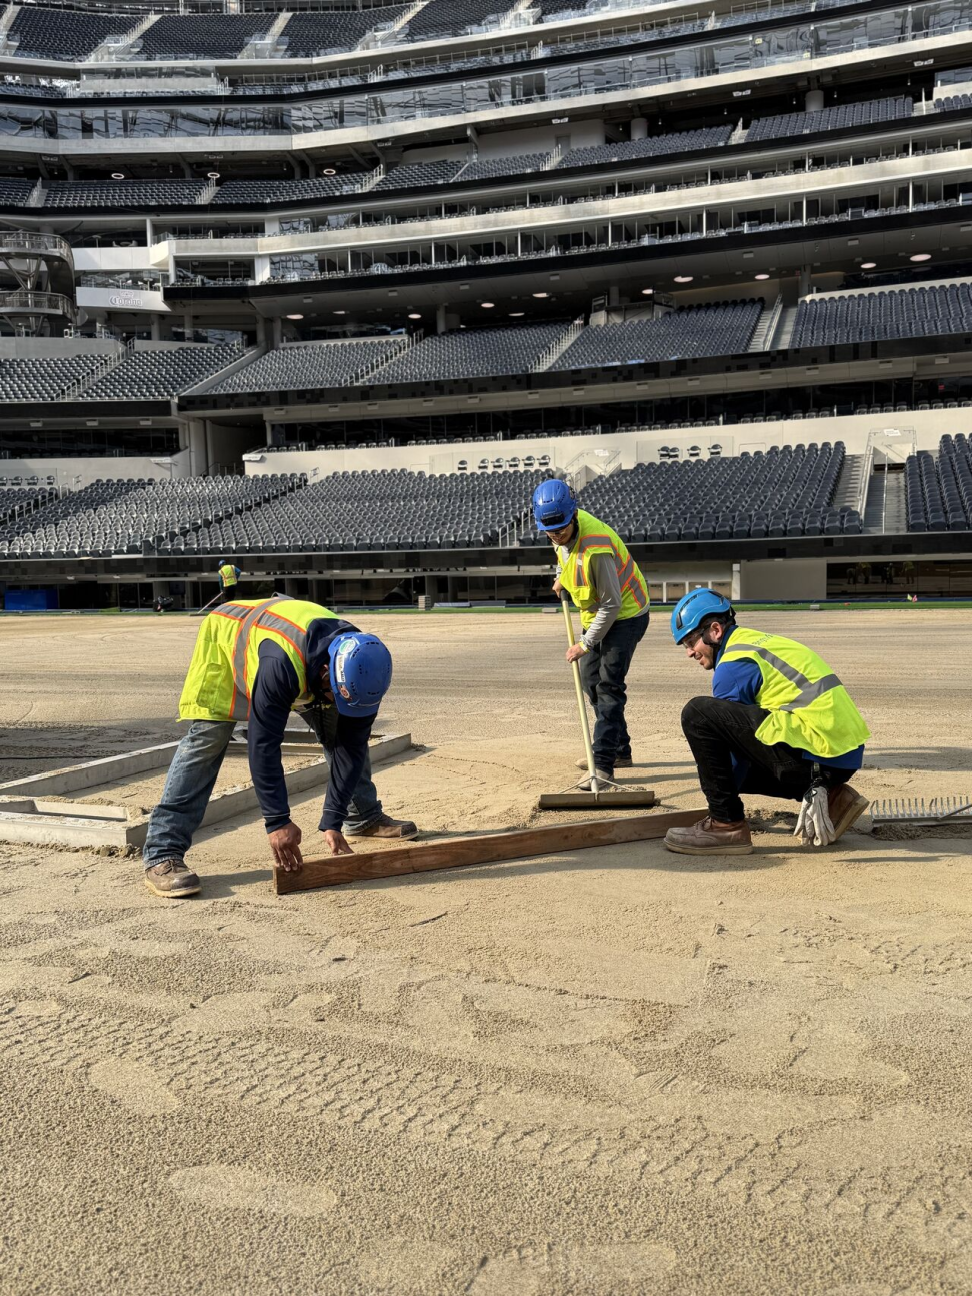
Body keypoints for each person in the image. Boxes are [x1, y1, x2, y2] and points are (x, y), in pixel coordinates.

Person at [142, 594, 417, 898]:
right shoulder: (281, 665)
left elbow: (350, 747)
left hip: (295, 655)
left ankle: (361, 817)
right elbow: (263, 744)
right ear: (327, 672)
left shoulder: (361, 667)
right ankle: (161, 852)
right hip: (228, 641)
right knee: (208, 740)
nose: (335, 700)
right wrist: (277, 821)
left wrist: (333, 819)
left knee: (342, 725)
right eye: (333, 694)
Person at [664, 590, 870, 856]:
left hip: (819, 751)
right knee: (724, 770)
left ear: (715, 630)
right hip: (841, 754)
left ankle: (726, 827)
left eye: (691, 642)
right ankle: (832, 798)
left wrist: (720, 803)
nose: (690, 652)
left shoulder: (732, 666)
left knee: (697, 714)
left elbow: (732, 753)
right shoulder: (754, 642)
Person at [531, 478, 649, 788]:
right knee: (590, 680)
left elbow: (611, 604)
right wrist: (562, 579)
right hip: (596, 614)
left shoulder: (596, 548)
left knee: (609, 687)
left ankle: (604, 765)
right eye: (550, 530)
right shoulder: (559, 531)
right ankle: (619, 749)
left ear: (573, 514)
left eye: (562, 529)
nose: (556, 535)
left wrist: (585, 643)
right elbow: (565, 557)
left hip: (625, 615)